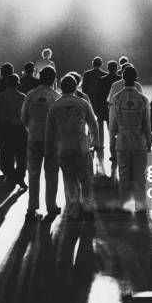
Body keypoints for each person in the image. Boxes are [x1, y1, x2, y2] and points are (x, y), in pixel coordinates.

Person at [45, 75, 98, 220]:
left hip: (63, 146)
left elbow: (49, 131)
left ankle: (73, 210)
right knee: (86, 178)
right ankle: (87, 207)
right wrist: (95, 141)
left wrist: (48, 150)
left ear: (61, 88)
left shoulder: (54, 106)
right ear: (76, 87)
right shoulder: (83, 103)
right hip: (81, 145)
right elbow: (93, 124)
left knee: (69, 179)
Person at [110, 66, 152, 212]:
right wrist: (150, 141)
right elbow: (147, 124)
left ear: (122, 77)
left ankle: (124, 204)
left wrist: (111, 142)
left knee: (123, 173)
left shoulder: (117, 98)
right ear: (136, 78)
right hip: (139, 140)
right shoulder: (143, 99)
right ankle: (140, 204)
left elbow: (112, 124)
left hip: (122, 140)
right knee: (140, 174)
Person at [21, 66, 61, 221]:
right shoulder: (56, 96)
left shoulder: (31, 95)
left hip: (33, 137)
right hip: (51, 139)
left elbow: (23, 116)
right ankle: (51, 205)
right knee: (51, 173)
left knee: (33, 172)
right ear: (54, 79)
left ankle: (32, 207)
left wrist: (31, 130)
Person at [0, 74, 28, 189]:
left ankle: (10, 178)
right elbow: (28, 114)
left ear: (6, 83)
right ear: (18, 84)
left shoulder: (0, 97)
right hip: (20, 129)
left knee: (7, 155)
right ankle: (20, 178)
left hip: (5, 129)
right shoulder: (23, 97)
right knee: (21, 156)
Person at [98, 61, 120, 175]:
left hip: (106, 107)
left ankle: (113, 154)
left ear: (107, 68)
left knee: (110, 131)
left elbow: (100, 95)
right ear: (116, 68)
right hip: (119, 108)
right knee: (118, 131)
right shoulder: (120, 79)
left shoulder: (102, 79)